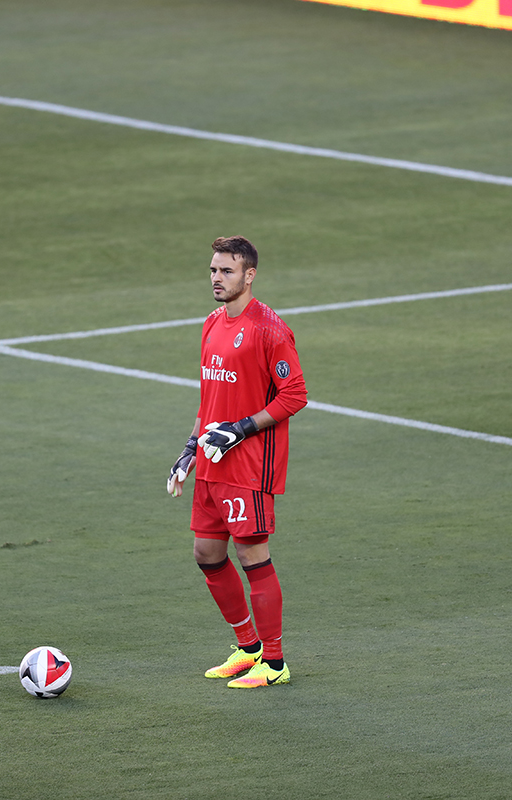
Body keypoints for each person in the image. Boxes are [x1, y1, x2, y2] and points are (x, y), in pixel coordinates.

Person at [167, 235, 308, 688]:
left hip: (247, 465)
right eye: (212, 270)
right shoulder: (211, 323)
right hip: (211, 463)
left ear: (249, 276)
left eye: (226, 271)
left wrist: (242, 429)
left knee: (252, 556)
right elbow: (210, 399)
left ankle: (275, 661)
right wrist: (189, 450)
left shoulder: (270, 329)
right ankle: (247, 649)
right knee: (206, 553)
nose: (216, 278)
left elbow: (295, 395)